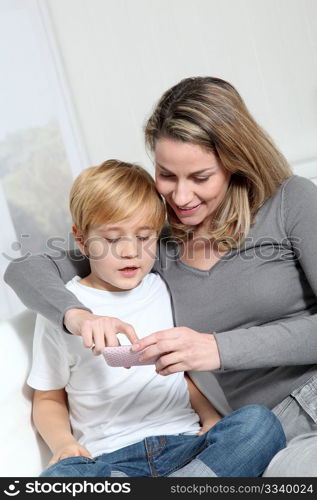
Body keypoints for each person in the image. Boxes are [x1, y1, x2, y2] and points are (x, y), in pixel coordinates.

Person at [5, 76, 317, 476]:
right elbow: (26, 269)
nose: (181, 198)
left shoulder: (291, 201)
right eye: (167, 175)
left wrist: (219, 349)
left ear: (236, 163)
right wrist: (77, 316)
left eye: (200, 178)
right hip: (247, 443)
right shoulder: (153, 242)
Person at [26, 160, 285, 478]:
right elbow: (48, 396)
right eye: (111, 239)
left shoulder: (164, 288)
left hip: (185, 447)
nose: (129, 251)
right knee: (58, 478)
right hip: (109, 462)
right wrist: (64, 444)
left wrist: (210, 418)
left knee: (259, 423)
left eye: (144, 237)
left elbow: (181, 373)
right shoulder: (63, 309)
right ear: (81, 240)